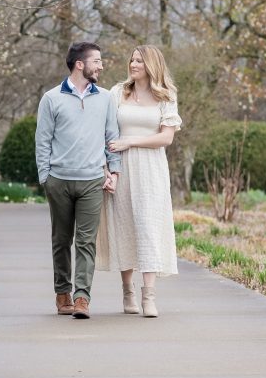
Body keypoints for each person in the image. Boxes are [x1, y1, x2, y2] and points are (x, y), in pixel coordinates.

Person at [35, 42, 121, 319]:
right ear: (80, 64)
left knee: (86, 241)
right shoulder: (51, 98)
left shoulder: (106, 98)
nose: (101, 65)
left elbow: (112, 137)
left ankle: (82, 298)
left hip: (92, 181)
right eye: (97, 61)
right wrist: (45, 177)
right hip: (58, 181)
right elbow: (42, 141)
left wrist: (114, 171)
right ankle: (63, 293)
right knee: (61, 240)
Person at [97, 45, 182, 317]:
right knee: (124, 226)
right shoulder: (117, 92)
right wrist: (106, 169)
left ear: (151, 65)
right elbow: (105, 131)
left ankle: (149, 295)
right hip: (120, 167)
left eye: (139, 61)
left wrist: (131, 141)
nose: (133, 64)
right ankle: (127, 291)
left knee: (148, 227)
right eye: (132, 60)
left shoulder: (166, 96)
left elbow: (166, 138)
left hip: (151, 168)